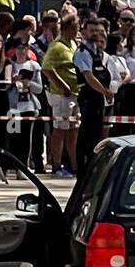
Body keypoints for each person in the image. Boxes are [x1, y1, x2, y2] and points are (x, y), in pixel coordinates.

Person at [41, 15, 80, 176]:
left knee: (73, 130)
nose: (76, 32)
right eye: (74, 29)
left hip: (75, 94)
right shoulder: (56, 46)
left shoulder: (73, 44)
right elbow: (47, 68)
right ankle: (56, 164)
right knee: (60, 130)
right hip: (61, 95)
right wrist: (62, 85)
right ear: (66, 29)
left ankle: (73, 164)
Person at [73, 20, 113, 170]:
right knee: (87, 133)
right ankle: (83, 167)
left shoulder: (97, 52)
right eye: (92, 31)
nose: (95, 34)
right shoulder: (82, 53)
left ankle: (92, 163)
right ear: (83, 32)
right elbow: (89, 77)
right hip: (89, 97)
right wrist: (105, 91)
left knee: (96, 132)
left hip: (98, 98)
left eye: (97, 31)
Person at [4, 56, 43, 174]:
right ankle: (10, 166)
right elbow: (6, 85)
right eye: (18, 47)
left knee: (26, 139)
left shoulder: (34, 66)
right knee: (13, 137)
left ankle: (23, 167)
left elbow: (39, 89)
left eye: (24, 47)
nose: (21, 50)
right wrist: (14, 81)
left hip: (29, 107)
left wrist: (29, 83)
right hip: (13, 107)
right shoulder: (10, 65)